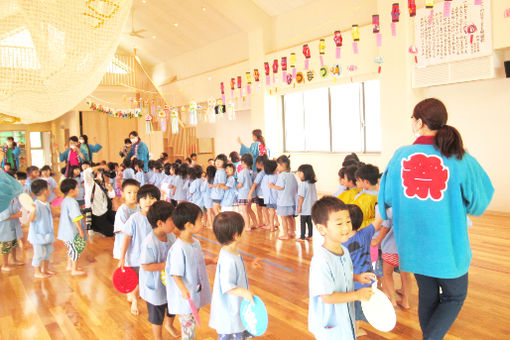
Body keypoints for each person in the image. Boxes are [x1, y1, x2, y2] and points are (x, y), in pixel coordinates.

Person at [378, 98, 494, 339]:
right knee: (455, 296)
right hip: (448, 248)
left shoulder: (401, 156)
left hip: (413, 246)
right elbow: (479, 202)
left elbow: (386, 198)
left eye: (412, 118)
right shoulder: (458, 156)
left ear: (419, 122)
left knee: (429, 295)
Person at [308, 196, 375, 340]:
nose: (346, 227)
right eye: (339, 224)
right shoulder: (321, 260)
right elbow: (327, 296)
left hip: (344, 314)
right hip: (330, 323)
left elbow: (342, 274)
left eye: (348, 221)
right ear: (321, 228)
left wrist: (357, 277)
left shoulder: (344, 251)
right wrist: (357, 295)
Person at [165, 202, 214, 340]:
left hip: (194, 292)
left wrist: (211, 261)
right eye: (200, 220)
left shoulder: (195, 243)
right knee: (188, 328)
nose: (203, 221)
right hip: (185, 297)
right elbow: (175, 273)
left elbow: (197, 262)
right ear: (188, 225)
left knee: (192, 322)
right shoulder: (179, 249)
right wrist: (183, 289)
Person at [209, 212, 255, 339]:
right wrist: (244, 293)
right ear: (236, 235)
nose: (245, 231)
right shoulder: (228, 259)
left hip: (235, 306)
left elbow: (237, 276)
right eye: (243, 229)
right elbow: (227, 286)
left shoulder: (230, 252)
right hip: (229, 310)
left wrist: (250, 266)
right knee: (233, 333)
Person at [119, 184, 161, 315]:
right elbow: (126, 238)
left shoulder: (158, 219)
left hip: (152, 258)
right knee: (135, 283)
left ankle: (149, 299)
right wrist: (122, 258)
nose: (148, 201)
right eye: (144, 198)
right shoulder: (134, 219)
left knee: (149, 280)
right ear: (139, 201)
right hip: (136, 258)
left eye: (152, 198)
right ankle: (135, 301)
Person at [342, 204, 383, 336]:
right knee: (358, 309)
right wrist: (384, 203)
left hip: (349, 282)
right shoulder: (365, 233)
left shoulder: (341, 242)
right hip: (366, 280)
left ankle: (351, 330)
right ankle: (355, 329)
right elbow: (379, 220)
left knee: (352, 308)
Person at [141, 200, 179, 339]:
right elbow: (145, 265)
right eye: (171, 220)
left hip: (170, 282)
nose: (174, 222)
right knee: (157, 315)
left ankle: (169, 324)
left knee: (172, 307)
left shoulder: (171, 236)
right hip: (155, 285)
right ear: (160, 223)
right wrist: (166, 264)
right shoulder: (149, 242)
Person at [371, 207, 412, 309]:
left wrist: (377, 240)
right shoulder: (411, 206)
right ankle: (405, 301)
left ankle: (392, 301)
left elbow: (385, 227)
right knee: (405, 275)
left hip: (391, 248)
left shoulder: (389, 209)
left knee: (387, 274)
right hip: (407, 249)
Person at [57, 179, 86, 276]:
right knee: (75, 250)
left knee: (71, 250)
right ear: (71, 191)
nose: (79, 190)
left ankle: (70, 266)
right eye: (77, 188)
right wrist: (80, 230)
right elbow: (76, 218)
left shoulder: (65, 200)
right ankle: (74, 269)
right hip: (71, 232)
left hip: (64, 232)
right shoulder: (73, 202)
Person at [27, 179, 56, 279]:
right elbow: (30, 219)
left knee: (49, 250)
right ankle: (37, 272)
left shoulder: (46, 203)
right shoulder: (36, 205)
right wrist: (34, 210)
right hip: (37, 235)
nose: (50, 190)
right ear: (44, 191)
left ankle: (45, 269)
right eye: (48, 188)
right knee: (38, 253)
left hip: (47, 233)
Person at [269, 155, 298, 240]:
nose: (277, 168)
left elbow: (280, 187)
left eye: (277, 165)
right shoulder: (292, 175)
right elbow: (296, 187)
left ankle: (285, 234)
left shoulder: (282, 176)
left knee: (283, 218)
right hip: (292, 200)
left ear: (282, 165)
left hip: (283, 201)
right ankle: (292, 232)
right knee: (290, 217)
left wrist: (272, 186)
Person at [83, 164, 116, 237]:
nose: (99, 173)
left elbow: (112, 196)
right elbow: (86, 172)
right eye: (97, 172)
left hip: (106, 210)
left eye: (100, 172)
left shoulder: (103, 183)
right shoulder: (90, 184)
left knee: (120, 218)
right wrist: (101, 166)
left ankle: (104, 225)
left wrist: (109, 187)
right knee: (111, 232)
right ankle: (95, 227)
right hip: (98, 214)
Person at [113, 179, 139, 262]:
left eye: (136, 192)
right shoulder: (123, 210)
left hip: (135, 244)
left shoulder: (138, 207)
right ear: (123, 194)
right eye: (129, 192)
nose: (133, 195)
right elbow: (123, 231)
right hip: (124, 245)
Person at [0, 193, 23, 271]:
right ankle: (4, 264)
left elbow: (19, 207)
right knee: (5, 246)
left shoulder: (14, 198)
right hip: (4, 228)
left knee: (13, 243)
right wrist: (16, 215)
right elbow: (3, 217)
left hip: (12, 226)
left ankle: (14, 260)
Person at [296, 164, 318, 241]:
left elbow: (301, 197)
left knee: (302, 222)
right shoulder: (312, 184)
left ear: (305, 173)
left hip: (304, 208)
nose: (299, 174)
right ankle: (310, 235)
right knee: (309, 222)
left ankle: (302, 237)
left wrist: (299, 207)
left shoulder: (303, 185)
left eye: (300, 173)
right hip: (311, 207)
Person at [236, 154, 257, 230]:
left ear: (243, 162)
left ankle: (247, 226)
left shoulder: (242, 172)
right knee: (249, 210)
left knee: (244, 211)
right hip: (251, 194)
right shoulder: (252, 172)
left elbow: (240, 184)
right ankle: (255, 223)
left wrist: (235, 187)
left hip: (243, 194)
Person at [247, 155, 268, 228]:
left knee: (262, 210)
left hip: (261, 195)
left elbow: (254, 184)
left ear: (259, 163)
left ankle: (265, 223)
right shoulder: (268, 172)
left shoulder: (261, 173)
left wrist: (250, 194)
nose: (255, 165)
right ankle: (263, 223)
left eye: (256, 163)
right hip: (265, 194)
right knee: (265, 209)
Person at [260, 159, 278, 232]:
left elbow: (262, 187)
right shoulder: (276, 176)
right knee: (277, 212)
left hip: (268, 198)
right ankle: (276, 224)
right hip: (276, 198)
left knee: (271, 212)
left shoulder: (265, 177)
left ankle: (272, 227)